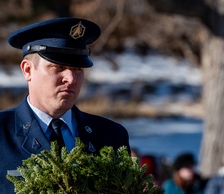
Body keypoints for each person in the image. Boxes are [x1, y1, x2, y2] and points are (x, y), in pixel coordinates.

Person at [0, 17, 131, 193]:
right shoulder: (3, 134)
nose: (71, 79)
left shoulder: (111, 136)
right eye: (58, 67)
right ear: (27, 70)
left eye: (78, 69)